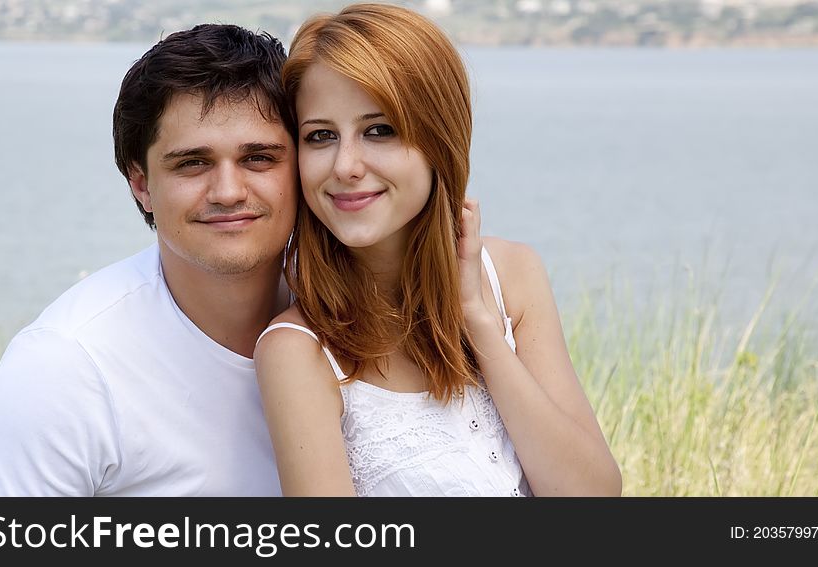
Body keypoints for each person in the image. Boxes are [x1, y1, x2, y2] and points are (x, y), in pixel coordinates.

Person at [254, 3, 621, 497]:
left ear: (439, 140)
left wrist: (478, 322)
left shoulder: (511, 275)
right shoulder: (298, 352)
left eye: (379, 130)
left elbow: (594, 495)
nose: (345, 165)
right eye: (320, 136)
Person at [0, 24, 298, 496]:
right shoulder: (63, 370)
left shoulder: (356, 318)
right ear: (141, 184)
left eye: (259, 158)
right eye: (192, 163)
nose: (228, 192)